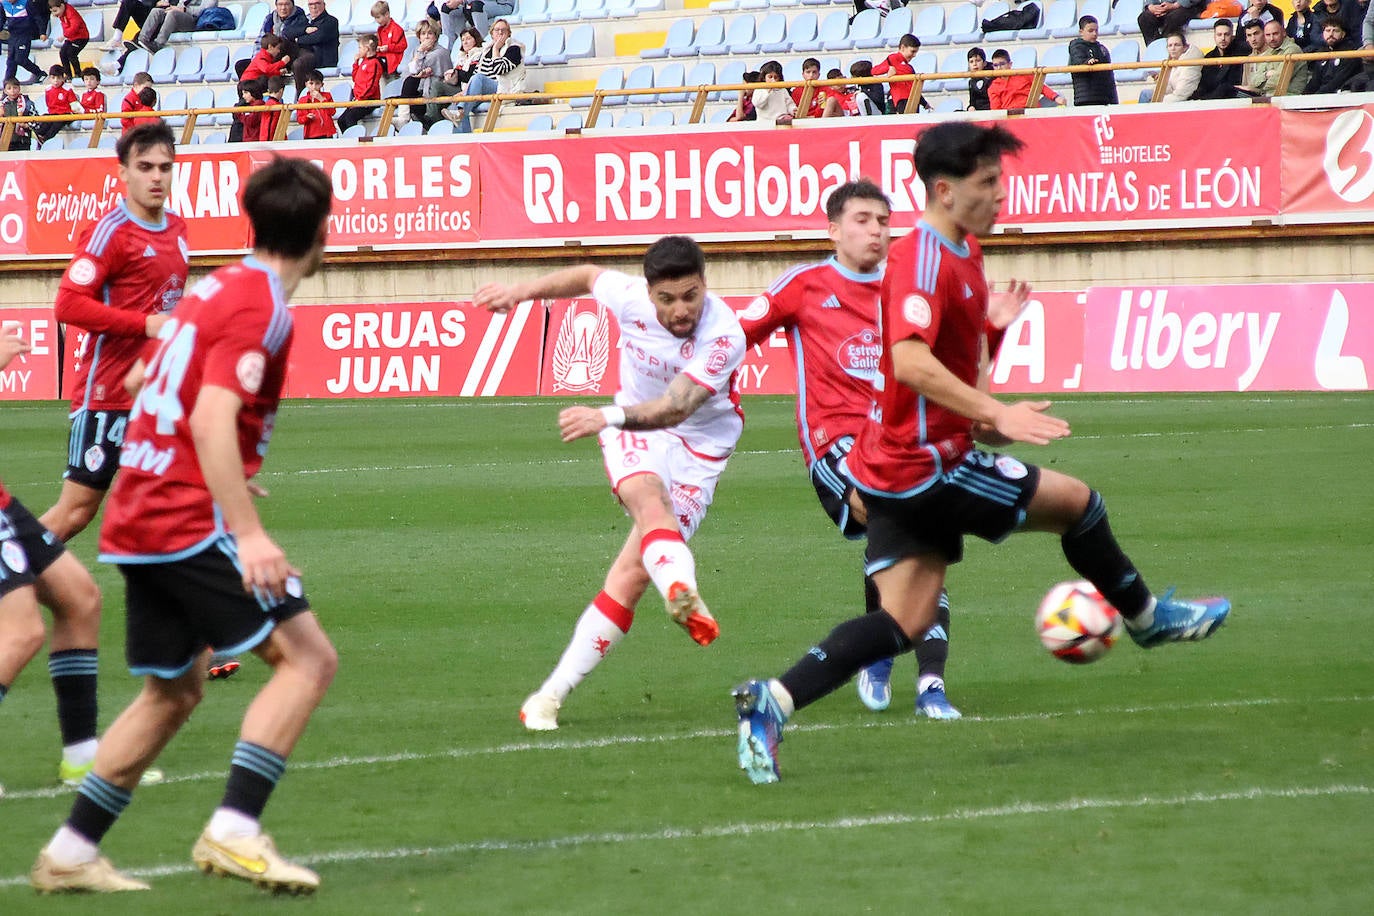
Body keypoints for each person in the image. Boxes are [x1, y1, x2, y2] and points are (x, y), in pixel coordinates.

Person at [732, 122, 1231, 786]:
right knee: (1080, 507)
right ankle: (1145, 618)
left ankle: (773, 701)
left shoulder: (964, 254)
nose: (1002, 195)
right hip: (927, 465)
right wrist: (995, 414)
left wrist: (992, 358)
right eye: (988, 183)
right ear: (944, 190)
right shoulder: (920, 260)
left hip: (897, 467)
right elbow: (908, 360)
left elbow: (959, 379)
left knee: (901, 621)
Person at [28, 154, 337, 896]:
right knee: (307, 659)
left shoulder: (217, 284)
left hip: (140, 507)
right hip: (183, 520)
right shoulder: (262, 304)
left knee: (172, 692)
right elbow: (207, 414)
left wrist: (207, 467)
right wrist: (247, 530)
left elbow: (143, 380)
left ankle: (70, 853)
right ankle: (234, 831)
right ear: (323, 232)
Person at [473, 236, 746, 733]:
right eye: (667, 299)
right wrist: (520, 291)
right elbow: (584, 274)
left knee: (630, 575)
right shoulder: (626, 297)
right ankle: (681, 588)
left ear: (706, 285)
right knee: (649, 504)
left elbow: (677, 406)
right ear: (648, 293)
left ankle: (549, 695)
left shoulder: (725, 334)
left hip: (698, 449)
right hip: (634, 434)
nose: (681, 309)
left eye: (691, 295)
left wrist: (606, 415)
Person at [738, 180, 976, 719]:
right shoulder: (803, 285)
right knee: (900, 521)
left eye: (883, 221)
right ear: (833, 230)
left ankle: (903, 666)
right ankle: (911, 671)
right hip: (836, 444)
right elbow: (733, 338)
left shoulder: (906, 289)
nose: (876, 230)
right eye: (863, 219)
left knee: (918, 544)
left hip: (899, 440)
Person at [41, 119, 184, 554]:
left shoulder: (178, 230)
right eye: (145, 167)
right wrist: (145, 325)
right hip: (108, 392)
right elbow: (67, 305)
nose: (156, 176)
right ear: (123, 172)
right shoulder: (110, 233)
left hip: (156, 394)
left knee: (180, 503)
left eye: (164, 166)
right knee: (77, 510)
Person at [440, 17, 523, 133]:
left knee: (478, 80)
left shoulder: (513, 49)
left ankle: (460, 113)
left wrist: (496, 49)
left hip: (504, 88)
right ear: (492, 33)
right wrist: (465, 92)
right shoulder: (485, 51)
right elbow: (477, 72)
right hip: (486, 89)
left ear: (509, 33)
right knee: (458, 103)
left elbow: (499, 69)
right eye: (497, 30)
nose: (500, 32)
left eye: (503, 30)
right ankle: (464, 141)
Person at [396, 17, 449, 126]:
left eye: (430, 33)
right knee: (409, 82)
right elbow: (410, 72)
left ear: (435, 36)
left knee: (411, 82)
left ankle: (405, 120)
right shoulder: (417, 51)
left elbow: (416, 68)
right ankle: (403, 119)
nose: (426, 37)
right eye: (423, 34)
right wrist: (420, 52)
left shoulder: (440, 52)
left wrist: (419, 54)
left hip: (433, 93)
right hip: (419, 91)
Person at [259, 0, 317, 93]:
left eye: (286, 4)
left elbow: (289, 35)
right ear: (276, 6)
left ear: (293, 5)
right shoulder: (270, 19)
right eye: (280, 4)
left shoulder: (300, 17)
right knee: (242, 65)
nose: (283, 8)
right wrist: (258, 59)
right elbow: (260, 41)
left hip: (292, 54)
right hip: (272, 56)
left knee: (282, 43)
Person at [428, 24, 480, 125]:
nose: (465, 42)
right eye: (463, 39)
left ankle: (431, 119)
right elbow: (459, 76)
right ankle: (435, 121)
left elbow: (470, 76)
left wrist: (456, 73)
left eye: (468, 39)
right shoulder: (462, 57)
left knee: (437, 86)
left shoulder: (479, 55)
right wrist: (450, 77)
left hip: (470, 89)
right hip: (459, 87)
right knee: (437, 85)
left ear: (476, 39)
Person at [1241, 18, 1311, 94]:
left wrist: (1260, 87)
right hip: (1270, 98)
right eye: (1268, 35)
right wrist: (1266, 75)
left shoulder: (1292, 50)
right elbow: (1253, 81)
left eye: (1275, 34)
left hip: (1289, 99)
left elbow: (1277, 82)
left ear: (1284, 33)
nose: (1271, 38)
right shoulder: (1270, 51)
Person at [987, 47, 1064, 108]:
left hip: (1031, 113)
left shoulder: (1023, 74)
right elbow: (996, 109)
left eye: (1002, 64)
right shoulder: (993, 87)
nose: (999, 68)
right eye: (996, 65)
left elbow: (1041, 87)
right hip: (1009, 117)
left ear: (1010, 64)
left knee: (1060, 98)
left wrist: (1056, 97)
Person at [1191, 18, 1250, 99]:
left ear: (1232, 35)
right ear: (1214, 36)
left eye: (1226, 34)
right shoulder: (1209, 57)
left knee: (1225, 89)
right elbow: (1204, 85)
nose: (1223, 38)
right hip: (1215, 98)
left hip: (1236, 94)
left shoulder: (1243, 51)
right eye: (1219, 35)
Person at [1068, 15, 1119, 106]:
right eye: (1090, 31)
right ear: (1081, 32)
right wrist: (1086, 62)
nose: (1094, 34)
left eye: (1096, 30)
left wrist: (1114, 101)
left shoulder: (1102, 49)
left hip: (1104, 99)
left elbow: (1110, 77)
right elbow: (1077, 61)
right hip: (1085, 98)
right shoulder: (1076, 46)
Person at [337, 32, 382, 131]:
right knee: (341, 120)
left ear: (367, 49)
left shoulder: (374, 63)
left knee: (350, 118)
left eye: (360, 48)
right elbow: (355, 78)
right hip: (359, 99)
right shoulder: (364, 62)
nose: (359, 50)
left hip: (369, 100)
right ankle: (347, 140)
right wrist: (356, 63)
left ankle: (354, 140)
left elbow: (371, 85)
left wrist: (361, 99)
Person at [871, 33, 925, 114]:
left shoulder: (909, 67)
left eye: (916, 52)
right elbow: (874, 71)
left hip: (912, 100)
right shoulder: (893, 58)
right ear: (903, 47)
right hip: (901, 101)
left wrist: (924, 103)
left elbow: (912, 87)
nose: (914, 55)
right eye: (912, 51)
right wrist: (888, 68)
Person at [1305, 18, 1362, 91]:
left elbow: (1338, 81)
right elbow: (1315, 82)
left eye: (1336, 31)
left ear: (1343, 34)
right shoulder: (1321, 53)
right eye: (1328, 30)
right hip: (1321, 95)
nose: (1331, 34)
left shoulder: (1350, 53)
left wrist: (1318, 95)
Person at [1149, 30, 1205, 101]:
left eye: (1177, 45)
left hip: (1186, 102)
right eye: (1170, 45)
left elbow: (1182, 94)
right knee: (1147, 93)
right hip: (1174, 98)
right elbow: (1170, 87)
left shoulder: (1189, 64)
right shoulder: (1171, 62)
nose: (1173, 48)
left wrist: (1159, 101)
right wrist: (1160, 83)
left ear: (1185, 47)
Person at [295, 0, 340, 86]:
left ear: (324, 5)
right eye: (311, 4)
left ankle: (300, 94)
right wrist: (304, 30)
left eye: (317, 3)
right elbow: (287, 32)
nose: (314, 7)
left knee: (299, 64)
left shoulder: (331, 21)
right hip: (306, 55)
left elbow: (318, 37)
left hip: (321, 58)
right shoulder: (305, 20)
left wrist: (298, 40)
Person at [2, 0, 45, 84]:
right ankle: (8, 86)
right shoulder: (3, 3)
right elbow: (2, 18)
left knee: (20, 59)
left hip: (24, 35)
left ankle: (40, 73)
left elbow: (37, 17)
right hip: (12, 36)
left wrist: (42, 32)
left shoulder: (26, 3)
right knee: (10, 61)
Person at [133, 0, 201, 52]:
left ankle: (158, 44)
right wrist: (172, 7)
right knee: (156, 11)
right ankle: (142, 40)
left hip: (195, 20)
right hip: (181, 14)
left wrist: (184, 10)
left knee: (173, 13)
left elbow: (202, 10)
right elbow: (181, 4)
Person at [35, 64, 78, 144]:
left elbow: (74, 104)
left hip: (66, 114)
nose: (56, 80)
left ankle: (45, 139)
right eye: (53, 78)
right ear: (50, 78)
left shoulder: (68, 89)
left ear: (62, 78)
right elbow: (49, 104)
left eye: (58, 78)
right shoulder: (48, 90)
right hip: (54, 114)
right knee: (45, 118)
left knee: (58, 122)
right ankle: (37, 134)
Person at [49, 0, 89, 80]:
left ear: (62, 6)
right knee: (63, 53)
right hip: (72, 37)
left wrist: (64, 35)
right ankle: (68, 74)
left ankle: (78, 73)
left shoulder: (70, 12)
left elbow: (75, 26)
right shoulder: (61, 14)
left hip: (81, 37)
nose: (54, 14)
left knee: (71, 53)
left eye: (55, 11)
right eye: (52, 12)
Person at [750, 58, 797, 125]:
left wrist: (793, 110)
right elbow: (757, 104)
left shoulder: (782, 90)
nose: (773, 80)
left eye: (776, 77)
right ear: (764, 77)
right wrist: (767, 91)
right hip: (764, 123)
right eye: (770, 77)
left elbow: (789, 104)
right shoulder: (759, 89)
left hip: (781, 121)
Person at [1138, 0, 1206, 46]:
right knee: (1144, 18)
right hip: (1163, 6)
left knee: (1174, 18)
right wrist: (1151, 6)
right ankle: (1155, 49)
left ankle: (1168, 48)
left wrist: (1175, 5)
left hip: (1188, 6)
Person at [296, 68, 337, 138]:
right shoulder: (302, 100)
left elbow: (332, 112)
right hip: (310, 134)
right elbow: (299, 119)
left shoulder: (327, 96)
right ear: (306, 84)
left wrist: (322, 99)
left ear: (322, 84)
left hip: (326, 133)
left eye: (317, 83)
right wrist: (306, 117)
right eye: (311, 83)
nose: (314, 87)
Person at [229, 76, 264, 142]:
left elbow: (251, 121)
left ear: (253, 91)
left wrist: (239, 114)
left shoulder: (259, 105)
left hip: (254, 139)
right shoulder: (250, 105)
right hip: (248, 138)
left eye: (246, 93)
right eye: (243, 93)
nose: (243, 96)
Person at [258, 73, 285, 140]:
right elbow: (271, 126)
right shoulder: (275, 106)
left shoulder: (267, 103)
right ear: (281, 91)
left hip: (265, 138)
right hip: (272, 139)